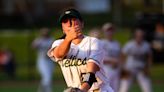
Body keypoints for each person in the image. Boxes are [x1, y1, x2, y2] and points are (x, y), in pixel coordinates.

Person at [47, 8, 113, 92]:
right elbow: (58, 54)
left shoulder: (93, 42)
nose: (70, 23)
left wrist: (82, 90)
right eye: (65, 21)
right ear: (63, 29)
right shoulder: (58, 43)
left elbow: (91, 71)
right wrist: (68, 39)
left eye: (74, 19)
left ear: (82, 24)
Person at [32, 28, 55, 92]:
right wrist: (37, 45)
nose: (45, 33)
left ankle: (41, 90)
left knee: (48, 77)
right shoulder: (39, 40)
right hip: (42, 61)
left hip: (50, 61)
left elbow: (52, 48)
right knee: (47, 77)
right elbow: (33, 46)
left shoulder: (51, 39)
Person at [101, 23, 121, 92]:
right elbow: (98, 58)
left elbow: (120, 56)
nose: (110, 32)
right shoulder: (101, 43)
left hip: (116, 70)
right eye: (108, 31)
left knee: (115, 89)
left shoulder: (117, 43)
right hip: (105, 70)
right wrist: (111, 61)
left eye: (111, 30)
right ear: (104, 32)